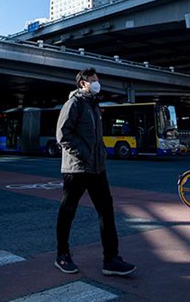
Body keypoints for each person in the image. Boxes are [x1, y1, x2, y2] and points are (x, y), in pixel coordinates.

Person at [54, 67, 136, 277]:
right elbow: (63, 135)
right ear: (83, 83)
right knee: (68, 211)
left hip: (97, 168)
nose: (98, 83)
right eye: (94, 80)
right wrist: (84, 154)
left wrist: (100, 157)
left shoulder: (94, 105)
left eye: (98, 79)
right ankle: (62, 255)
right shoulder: (73, 103)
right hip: (77, 168)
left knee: (106, 211)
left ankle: (111, 259)